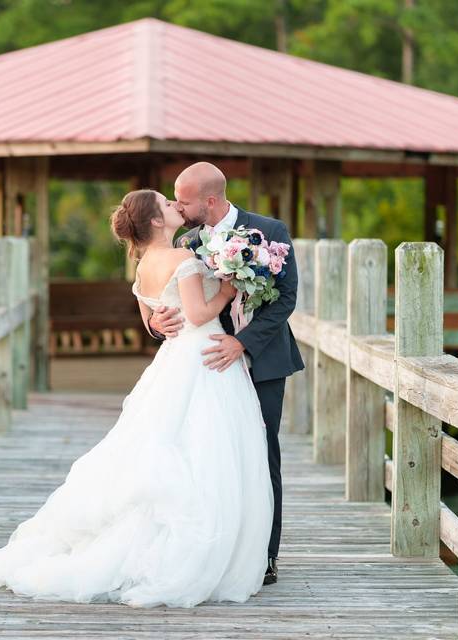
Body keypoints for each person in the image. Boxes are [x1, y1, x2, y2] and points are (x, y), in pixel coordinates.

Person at [0, 189, 273, 608]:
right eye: (167, 205)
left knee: (172, 443)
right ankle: (199, 553)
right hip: (202, 356)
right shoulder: (180, 259)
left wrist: (160, 321)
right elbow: (200, 315)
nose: (174, 206)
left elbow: (152, 317)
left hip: (175, 358)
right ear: (155, 221)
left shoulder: (143, 266)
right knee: (207, 448)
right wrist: (226, 290)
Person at [148, 162, 304, 585]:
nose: (178, 205)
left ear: (210, 200)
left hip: (263, 361)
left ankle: (264, 557)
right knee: (210, 456)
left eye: (184, 199)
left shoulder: (269, 231)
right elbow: (167, 300)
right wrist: (155, 324)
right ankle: (221, 552)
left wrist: (243, 343)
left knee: (262, 454)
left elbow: (285, 299)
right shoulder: (186, 243)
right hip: (208, 368)